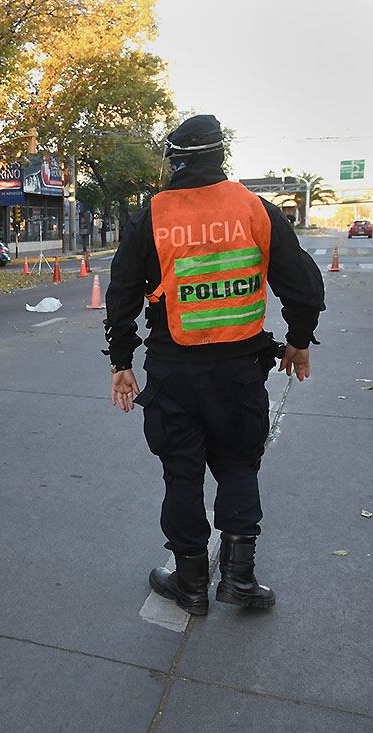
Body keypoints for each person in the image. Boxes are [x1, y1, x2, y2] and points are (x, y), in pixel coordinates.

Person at [104, 114, 325, 616]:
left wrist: (121, 361)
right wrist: (299, 341)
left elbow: (120, 294)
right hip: (240, 372)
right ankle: (240, 581)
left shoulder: (152, 215)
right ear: (220, 156)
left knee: (182, 476)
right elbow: (305, 287)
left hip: (174, 372)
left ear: (176, 159)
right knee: (238, 466)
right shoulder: (256, 210)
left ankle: (191, 585)